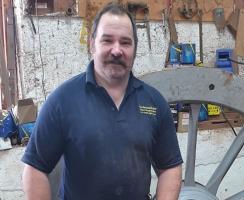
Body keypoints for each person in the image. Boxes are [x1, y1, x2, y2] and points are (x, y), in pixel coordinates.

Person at [21, 3, 183, 200]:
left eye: (125, 42)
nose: (117, 50)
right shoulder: (62, 102)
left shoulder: (155, 103)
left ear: (134, 48)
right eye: (107, 40)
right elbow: (35, 168)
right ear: (92, 44)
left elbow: (170, 167)